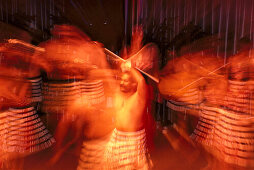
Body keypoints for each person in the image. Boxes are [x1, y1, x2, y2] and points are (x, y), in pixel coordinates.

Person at [104, 61, 153, 169]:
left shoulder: (138, 99)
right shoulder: (119, 95)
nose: (121, 82)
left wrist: (131, 68)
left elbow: (141, 80)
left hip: (132, 141)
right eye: (121, 80)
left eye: (125, 81)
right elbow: (111, 76)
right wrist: (123, 67)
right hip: (116, 137)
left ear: (133, 84)